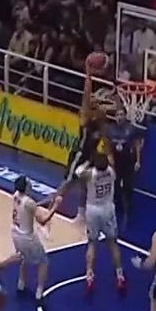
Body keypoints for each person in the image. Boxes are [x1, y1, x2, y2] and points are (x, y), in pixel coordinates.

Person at [57, 57, 109, 223]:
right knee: (68, 182)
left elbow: (105, 139)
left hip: (90, 157)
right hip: (79, 154)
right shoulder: (86, 118)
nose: (96, 104)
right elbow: (86, 97)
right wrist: (88, 75)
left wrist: (109, 155)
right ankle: (51, 208)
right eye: (94, 103)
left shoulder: (101, 121)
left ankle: (80, 215)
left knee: (85, 185)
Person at [78, 149, 126, 293]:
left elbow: (78, 172)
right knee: (112, 243)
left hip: (93, 210)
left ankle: (89, 276)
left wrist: (87, 162)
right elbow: (110, 160)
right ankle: (120, 275)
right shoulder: (112, 172)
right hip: (108, 209)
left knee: (92, 243)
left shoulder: (90, 174)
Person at [10, 176, 60, 301]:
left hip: (15, 233)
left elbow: (29, 207)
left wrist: (46, 201)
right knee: (43, 261)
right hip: (27, 237)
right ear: (26, 186)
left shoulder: (16, 195)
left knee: (24, 257)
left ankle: (21, 283)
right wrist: (55, 206)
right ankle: (39, 291)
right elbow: (43, 220)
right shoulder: (29, 203)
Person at [109, 119, 142, 228]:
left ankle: (128, 210)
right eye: (117, 115)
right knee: (115, 184)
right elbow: (107, 144)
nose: (119, 117)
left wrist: (138, 160)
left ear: (124, 116)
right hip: (117, 162)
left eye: (121, 114)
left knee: (128, 185)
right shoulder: (111, 129)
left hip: (128, 161)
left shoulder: (131, 129)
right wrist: (109, 156)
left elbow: (137, 144)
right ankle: (117, 205)